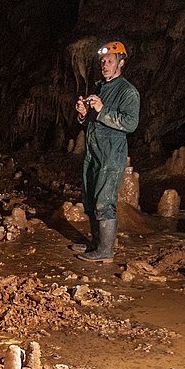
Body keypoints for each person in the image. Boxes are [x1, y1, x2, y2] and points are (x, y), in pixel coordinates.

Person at [73, 40, 140, 262]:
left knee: (104, 202)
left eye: (109, 61)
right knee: (91, 200)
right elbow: (92, 122)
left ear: (121, 62)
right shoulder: (100, 87)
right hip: (93, 154)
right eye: (102, 61)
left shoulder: (127, 92)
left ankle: (105, 251)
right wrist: (84, 113)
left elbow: (130, 123)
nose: (104, 65)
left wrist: (102, 109)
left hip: (111, 156)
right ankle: (95, 244)